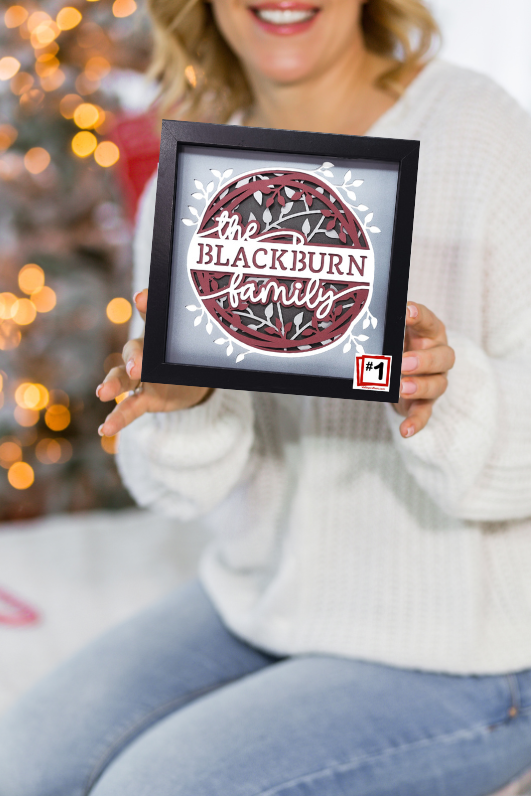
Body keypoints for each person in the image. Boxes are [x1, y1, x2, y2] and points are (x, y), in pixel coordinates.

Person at [1, 1, 531, 794]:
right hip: (259, 604)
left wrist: (444, 398)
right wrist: (183, 405)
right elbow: (178, 490)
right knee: (23, 765)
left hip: (462, 652)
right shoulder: (197, 179)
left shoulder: (479, 130)